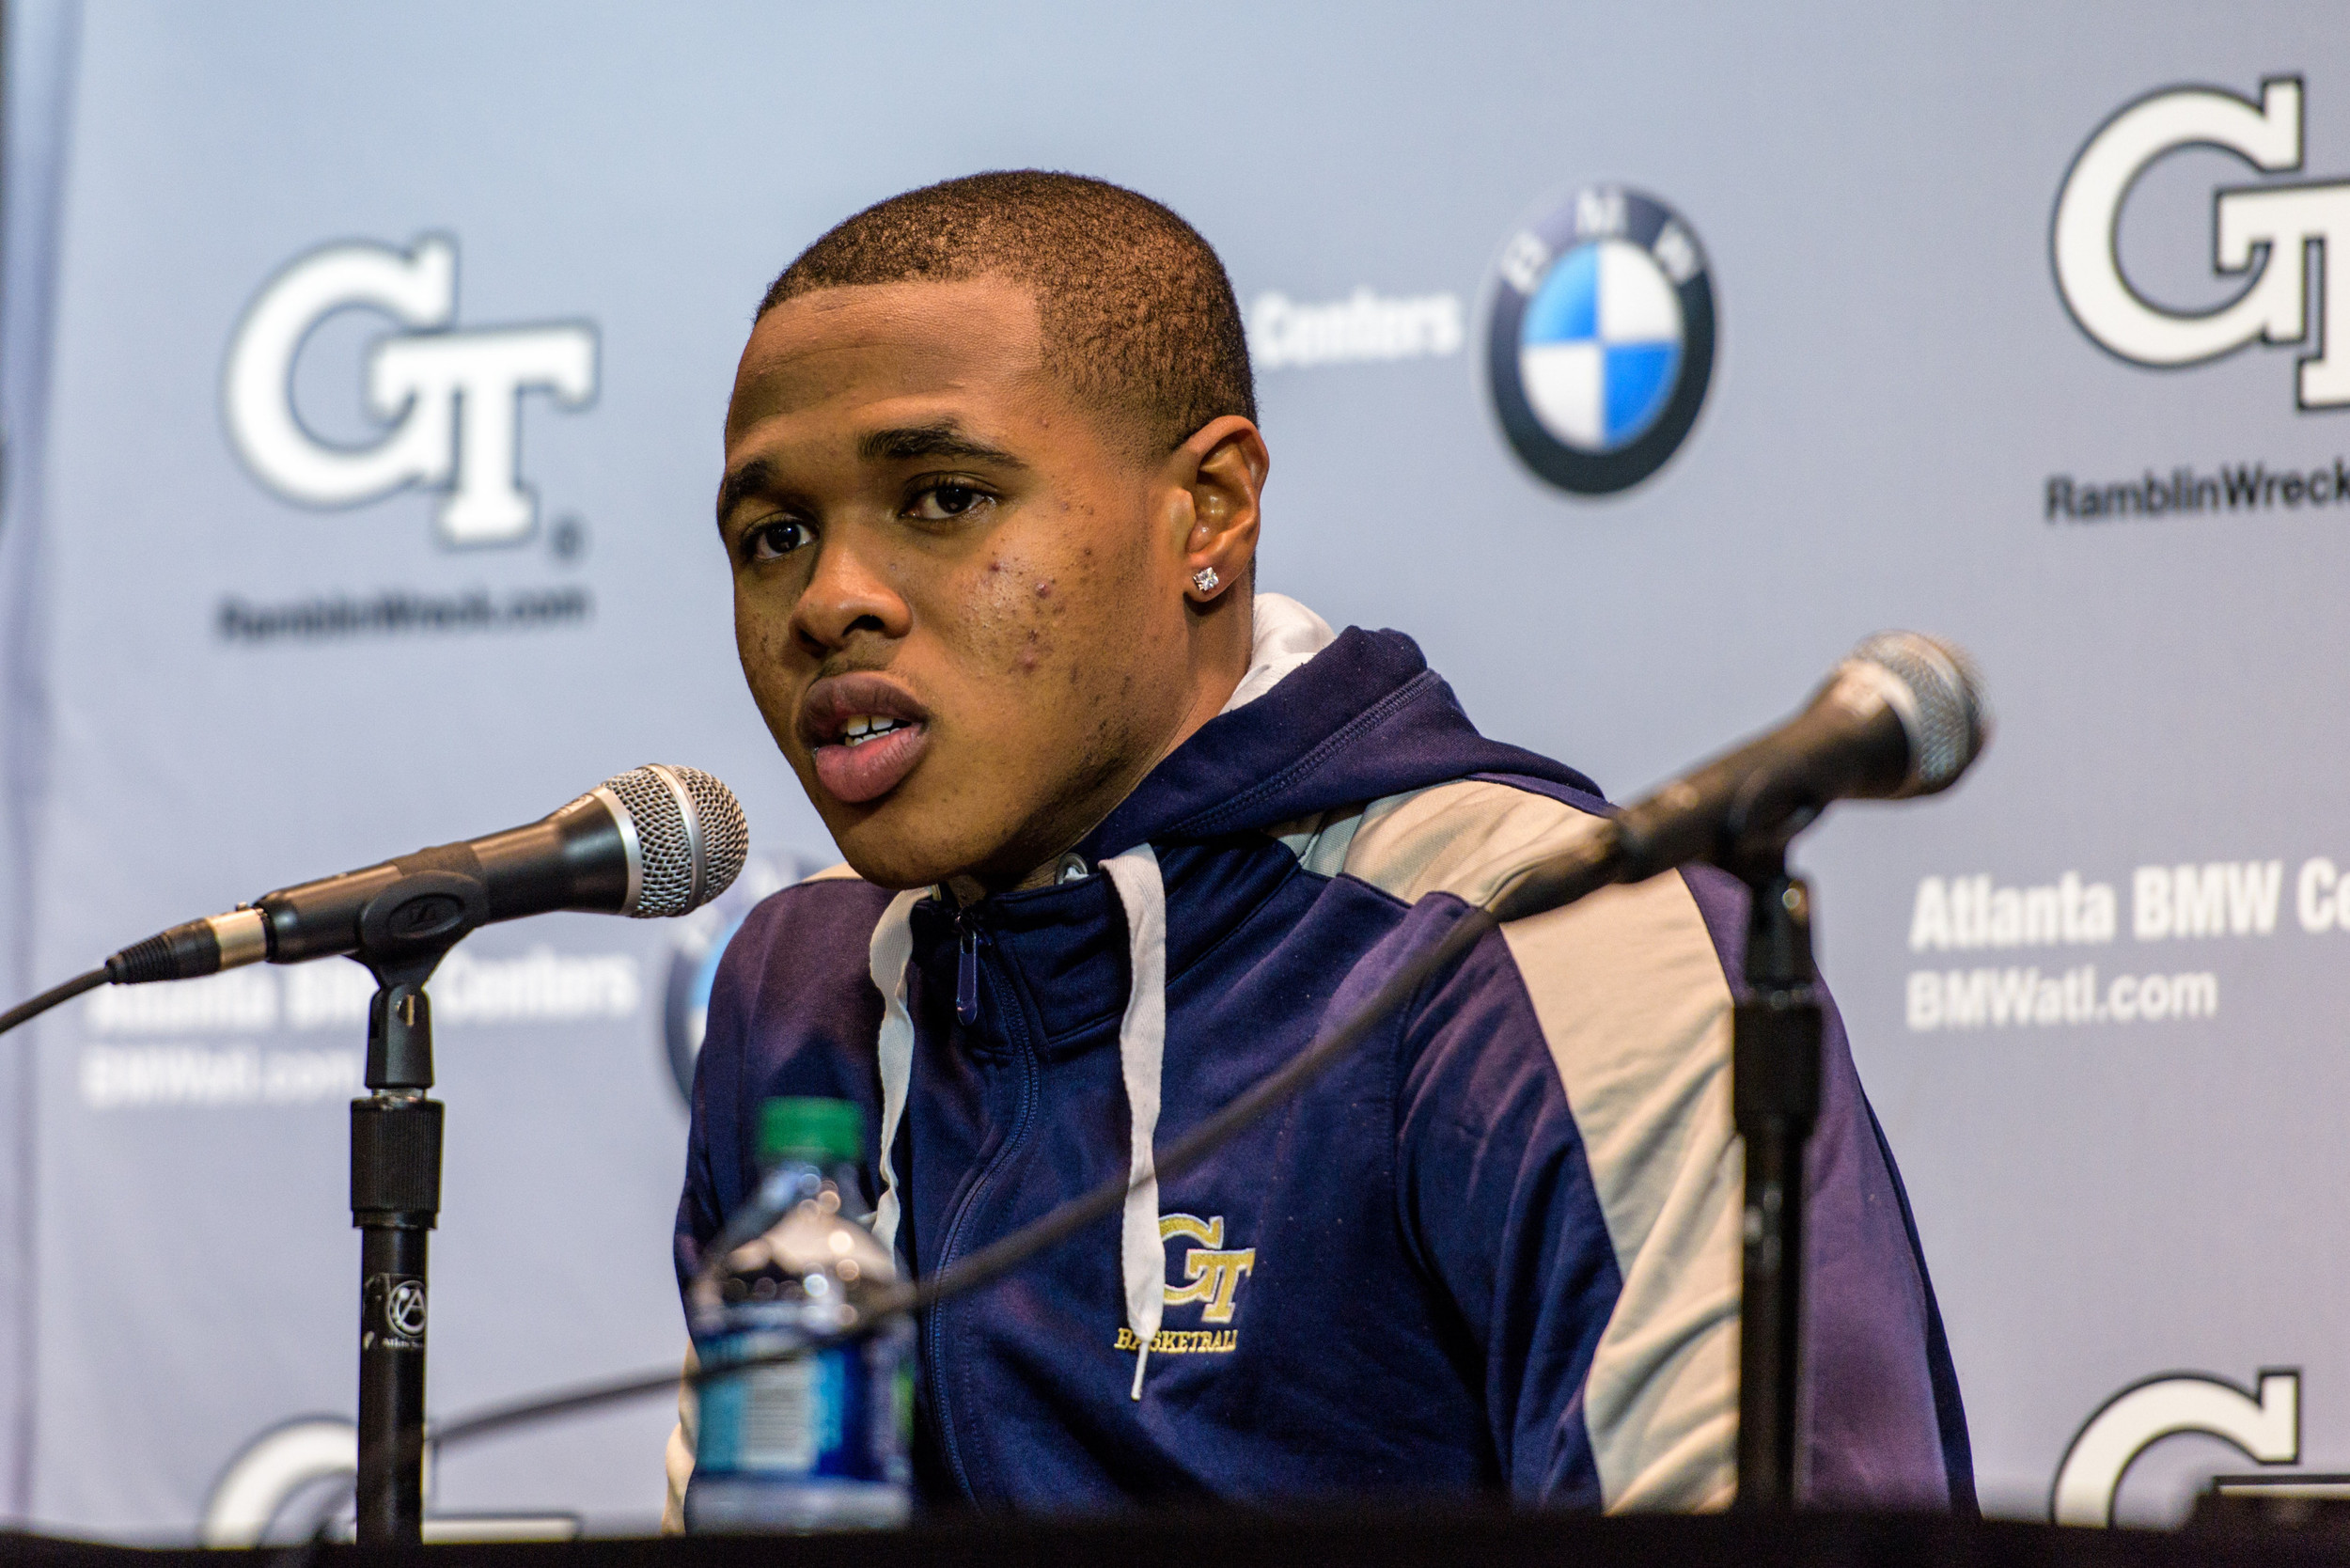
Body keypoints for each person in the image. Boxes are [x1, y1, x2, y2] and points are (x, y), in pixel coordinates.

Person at [667, 170, 1971, 1518]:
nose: (829, 602)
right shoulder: (802, 991)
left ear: (1212, 510)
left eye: (942, 498)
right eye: (774, 536)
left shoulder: (1544, 945)